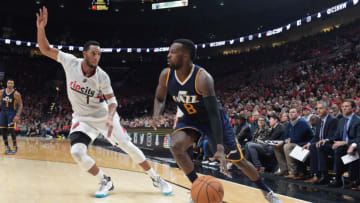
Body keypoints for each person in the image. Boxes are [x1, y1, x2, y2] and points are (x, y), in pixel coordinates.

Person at [36, 6, 172, 198]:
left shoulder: (102, 76)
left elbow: (112, 101)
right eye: (93, 53)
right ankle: (105, 180)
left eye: (99, 54)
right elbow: (45, 48)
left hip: (103, 116)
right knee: (77, 152)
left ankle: (156, 178)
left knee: (129, 147)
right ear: (84, 54)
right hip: (82, 118)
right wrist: (41, 28)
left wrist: (110, 117)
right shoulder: (70, 62)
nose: (97, 57)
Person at [152, 39, 281, 203]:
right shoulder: (166, 74)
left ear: (185, 56)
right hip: (190, 118)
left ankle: (267, 191)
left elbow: (213, 115)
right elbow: (159, 98)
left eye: (172, 52)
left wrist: (219, 147)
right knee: (175, 146)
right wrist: (156, 114)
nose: (168, 55)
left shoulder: (202, 78)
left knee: (238, 160)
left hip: (213, 119)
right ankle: (197, 187)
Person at [302, 101, 338, 185]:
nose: (318, 110)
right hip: (321, 144)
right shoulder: (318, 121)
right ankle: (314, 174)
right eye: (317, 108)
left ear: (327, 109)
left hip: (331, 144)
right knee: (311, 146)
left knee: (318, 146)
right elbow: (316, 137)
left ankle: (324, 175)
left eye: (320, 108)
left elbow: (334, 136)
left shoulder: (333, 120)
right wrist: (309, 143)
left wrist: (326, 140)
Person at [0, 79, 23, 154]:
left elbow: (20, 105)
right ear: (6, 84)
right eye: (9, 83)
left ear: (13, 85)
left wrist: (17, 115)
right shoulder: (1, 92)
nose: (10, 84)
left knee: (11, 129)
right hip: (3, 112)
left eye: (11, 83)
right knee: (3, 130)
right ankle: (7, 147)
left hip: (12, 113)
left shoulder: (16, 94)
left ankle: (14, 146)